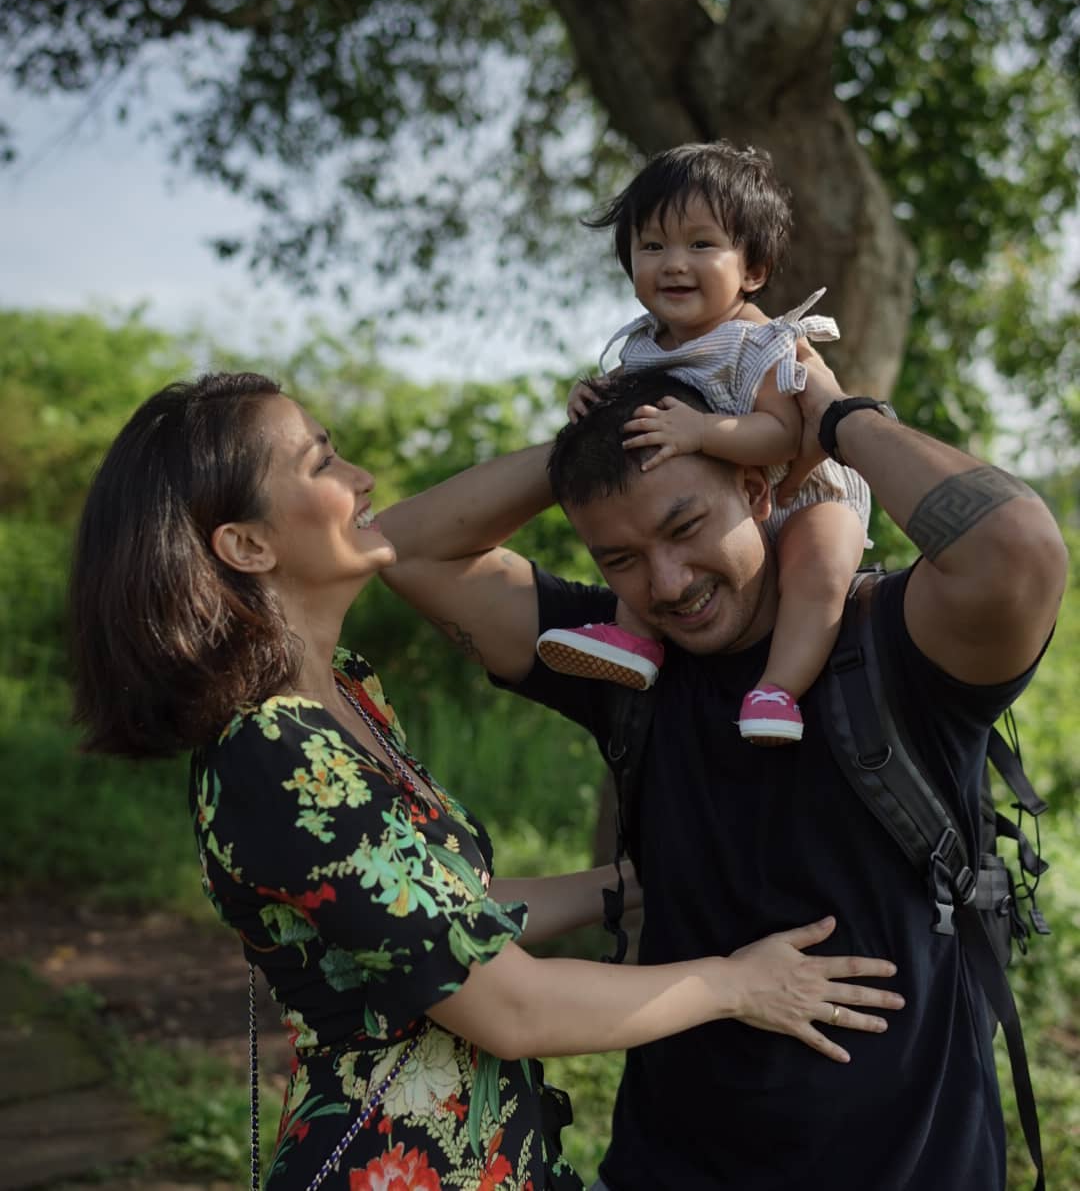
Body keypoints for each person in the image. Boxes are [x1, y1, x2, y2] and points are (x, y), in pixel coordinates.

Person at [68, 372, 905, 1191]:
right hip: (395, 1166)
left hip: (483, 1156)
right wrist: (739, 984)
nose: (360, 479)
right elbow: (513, 1010)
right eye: (322, 464)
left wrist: (630, 884)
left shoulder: (344, 695)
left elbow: (445, 915)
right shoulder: (272, 752)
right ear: (247, 545)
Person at [380, 357, 1067, 1190]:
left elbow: (1018, 548)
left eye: (683, 527)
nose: (668, 584)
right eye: (621, 558)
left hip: (914, 1165)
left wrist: (832, 416)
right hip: (673, 1164)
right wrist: (588, 439)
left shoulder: (895, 644)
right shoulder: (621, 663)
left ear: (756, 489)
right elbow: (404, 548)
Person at [536, 141, 871, 745]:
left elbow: (783, 434)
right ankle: (635, 638)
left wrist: (698, 431)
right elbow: (629, 417)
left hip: (804, 494)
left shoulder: (760, 341)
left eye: (700, 244)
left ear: (754, 270)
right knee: (652, 539)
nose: (673, 264)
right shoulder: (641, 347)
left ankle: (779, 688)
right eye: (652, 246)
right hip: (721, 509)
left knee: (820, 566)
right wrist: (591, 403)